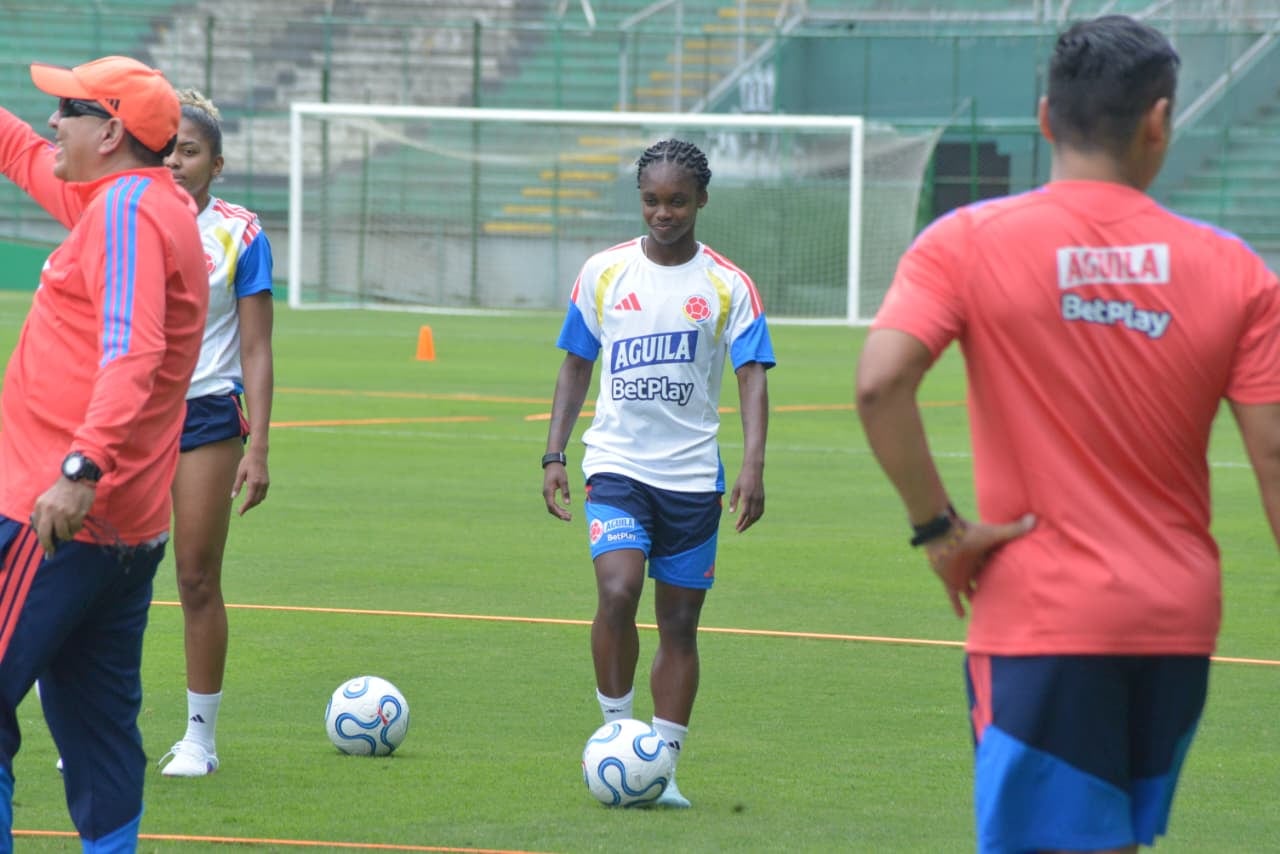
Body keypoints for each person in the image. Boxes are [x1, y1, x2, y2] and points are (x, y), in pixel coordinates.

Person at [856, 15, 1280, 854]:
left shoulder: (966, 243)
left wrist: (941, 531)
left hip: (1043, 618)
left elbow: (880, 383)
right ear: (1159, 121)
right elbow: (1275, 454)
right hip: (1178, 620)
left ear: (1047, 117)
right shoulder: (1236, 268)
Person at [0, 56, 207, 848]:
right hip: (124, 528)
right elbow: (21, 150)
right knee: (95, 724)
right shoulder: (138, 202)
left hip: (57, 515)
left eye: (68, 108)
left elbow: (132, 350)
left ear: (112, 131)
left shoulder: (123, 212)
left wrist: (79, 469)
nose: (52, 119)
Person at [541, 138, 775, 809]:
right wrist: (555, 453)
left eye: (676, 200)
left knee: (678, 626)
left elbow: (752, 376)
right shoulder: (605, 273)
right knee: (617, 591)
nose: (663, 212)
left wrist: (753, 466)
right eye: (651, 200)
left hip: (694, 478)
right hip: (616, 466)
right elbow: (575, 364)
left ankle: (662, 766)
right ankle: (618, 739)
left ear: (701, 200)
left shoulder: (728, 284)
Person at [154, 88, 275, 778]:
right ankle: (102, 724)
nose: (175, 160)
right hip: (129, 420)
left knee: (196, 575)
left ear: (216, 163)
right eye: (167, 147)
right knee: (102, 580)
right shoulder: (122, 215)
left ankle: (200, 737)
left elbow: (256, 348)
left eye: (190, 150)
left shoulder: (240, 232)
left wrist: (258, 445)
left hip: (204, 415)